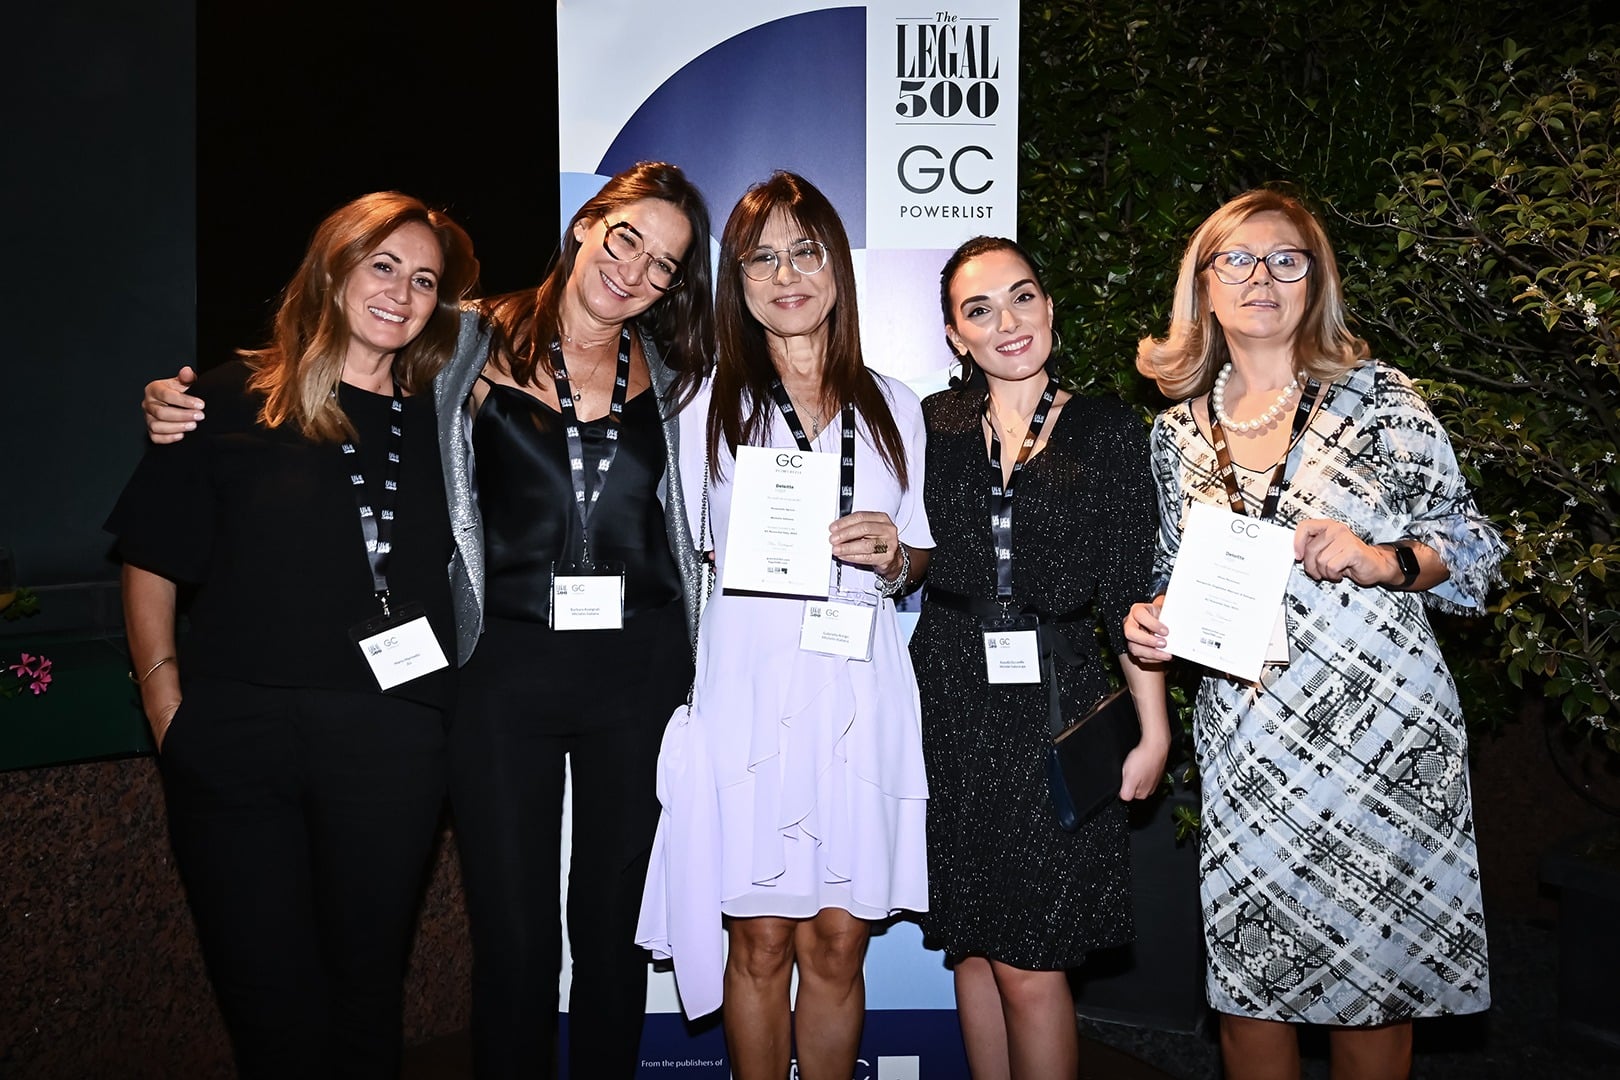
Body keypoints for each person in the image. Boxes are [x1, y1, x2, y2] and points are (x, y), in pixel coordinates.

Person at [138, 162, 716, 1080]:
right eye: (626, 238)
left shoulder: (684, 377)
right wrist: (182, 403)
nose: (636, 270)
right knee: (515, 937)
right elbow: (333, 360)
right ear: (585, 226)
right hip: (501, 670)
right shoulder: (464, 341)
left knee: (612, 932)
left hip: (638, 672)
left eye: (664, 264)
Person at [1124, 189, 1504, 1080]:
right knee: (1250, 992)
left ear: (1315, 281)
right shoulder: (1174, 436)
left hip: (1383, 745)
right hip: (1251, 747)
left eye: (1286, 259)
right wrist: (1154, 624)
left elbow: (1477, 550)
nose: (1261, 276)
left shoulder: (1380, 401)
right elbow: (1174, 575)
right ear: (1203, 287)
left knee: (1370, 995)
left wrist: (1382, 559)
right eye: (1236, 259)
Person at [108, 191, 480, 1079]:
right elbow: (151, 559)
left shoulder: (450, 418)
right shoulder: (224, 400)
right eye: (382, 266)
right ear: (333, 268)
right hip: (237, 742)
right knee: (263, 996)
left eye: (424, 280)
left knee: (366, 992)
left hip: (391, 740)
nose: (401, 292)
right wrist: (166, 709)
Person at [635, 172, 932, 1080]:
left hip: (859, 688)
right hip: (750, 693)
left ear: (837, 265)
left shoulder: (896, 403)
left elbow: (918, 556)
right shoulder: (698, 402)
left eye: (805, 252)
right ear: (737, 280)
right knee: (760, 941)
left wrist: (895, 556)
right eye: (761, 259)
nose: (787, 275)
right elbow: (677, 548)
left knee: (839, 944)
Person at [910, 235, 1171, 1079]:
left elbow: (1130, 594)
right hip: (947, 694)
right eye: (979, 310)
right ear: (955, 335)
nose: (1008, 322)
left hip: (1056, 702)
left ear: (1050, 307)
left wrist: (1154, 730)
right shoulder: (931, 426)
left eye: (1022, 297)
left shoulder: (1107, 428)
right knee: (973, 946)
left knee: (1032, 957)